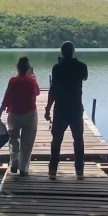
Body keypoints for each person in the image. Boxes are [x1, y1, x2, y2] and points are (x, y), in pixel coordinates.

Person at [45, 41, 88, 179]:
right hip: (75, 108)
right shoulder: (81, 66)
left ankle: (53, 170)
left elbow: (53, 90)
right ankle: (79, 170)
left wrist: (47, 108)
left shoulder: (57, 68)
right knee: (78, 139)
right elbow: (85, 77)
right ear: (73, 51)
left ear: (62, 52)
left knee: (56, 140)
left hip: (61, 109)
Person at [0, 56, 40, 175]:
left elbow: (6, 97)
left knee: (14, 139)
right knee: (27, 143)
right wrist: (32, 77)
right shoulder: (32, 80)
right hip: (30, 114)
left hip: (14, 114)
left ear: (17, 68)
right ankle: (23, 169)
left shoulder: (12, 80)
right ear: (27, 68)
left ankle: (14, 159)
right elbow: (37, 92)